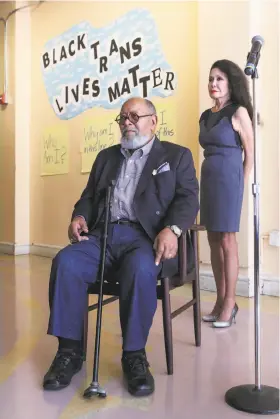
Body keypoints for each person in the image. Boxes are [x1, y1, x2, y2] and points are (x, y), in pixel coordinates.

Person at [43, 97, 199, 396]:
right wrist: (79, 216)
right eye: (122, 118)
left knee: (141, 268)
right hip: (102, 237)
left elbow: (188, 197)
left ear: (153, 121)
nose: (126, 122)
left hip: (146, 239)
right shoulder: (106, 157)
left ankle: (134, 356)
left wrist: (172, 229)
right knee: (66, 262)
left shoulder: (177, 156)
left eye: (134, 116)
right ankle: (70, 352)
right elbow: (89, 197)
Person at [199, 59, 254, 328]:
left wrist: (241, 184)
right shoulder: (205, 115)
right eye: (211, 79)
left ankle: (230, 302)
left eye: (219, 79)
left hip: (230, 181)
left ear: (230, 83)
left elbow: (250, 153)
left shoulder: (238, 112)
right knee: (212, 240)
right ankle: (220, 299)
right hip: (208, 179)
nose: (213, 84)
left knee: (227, 241)